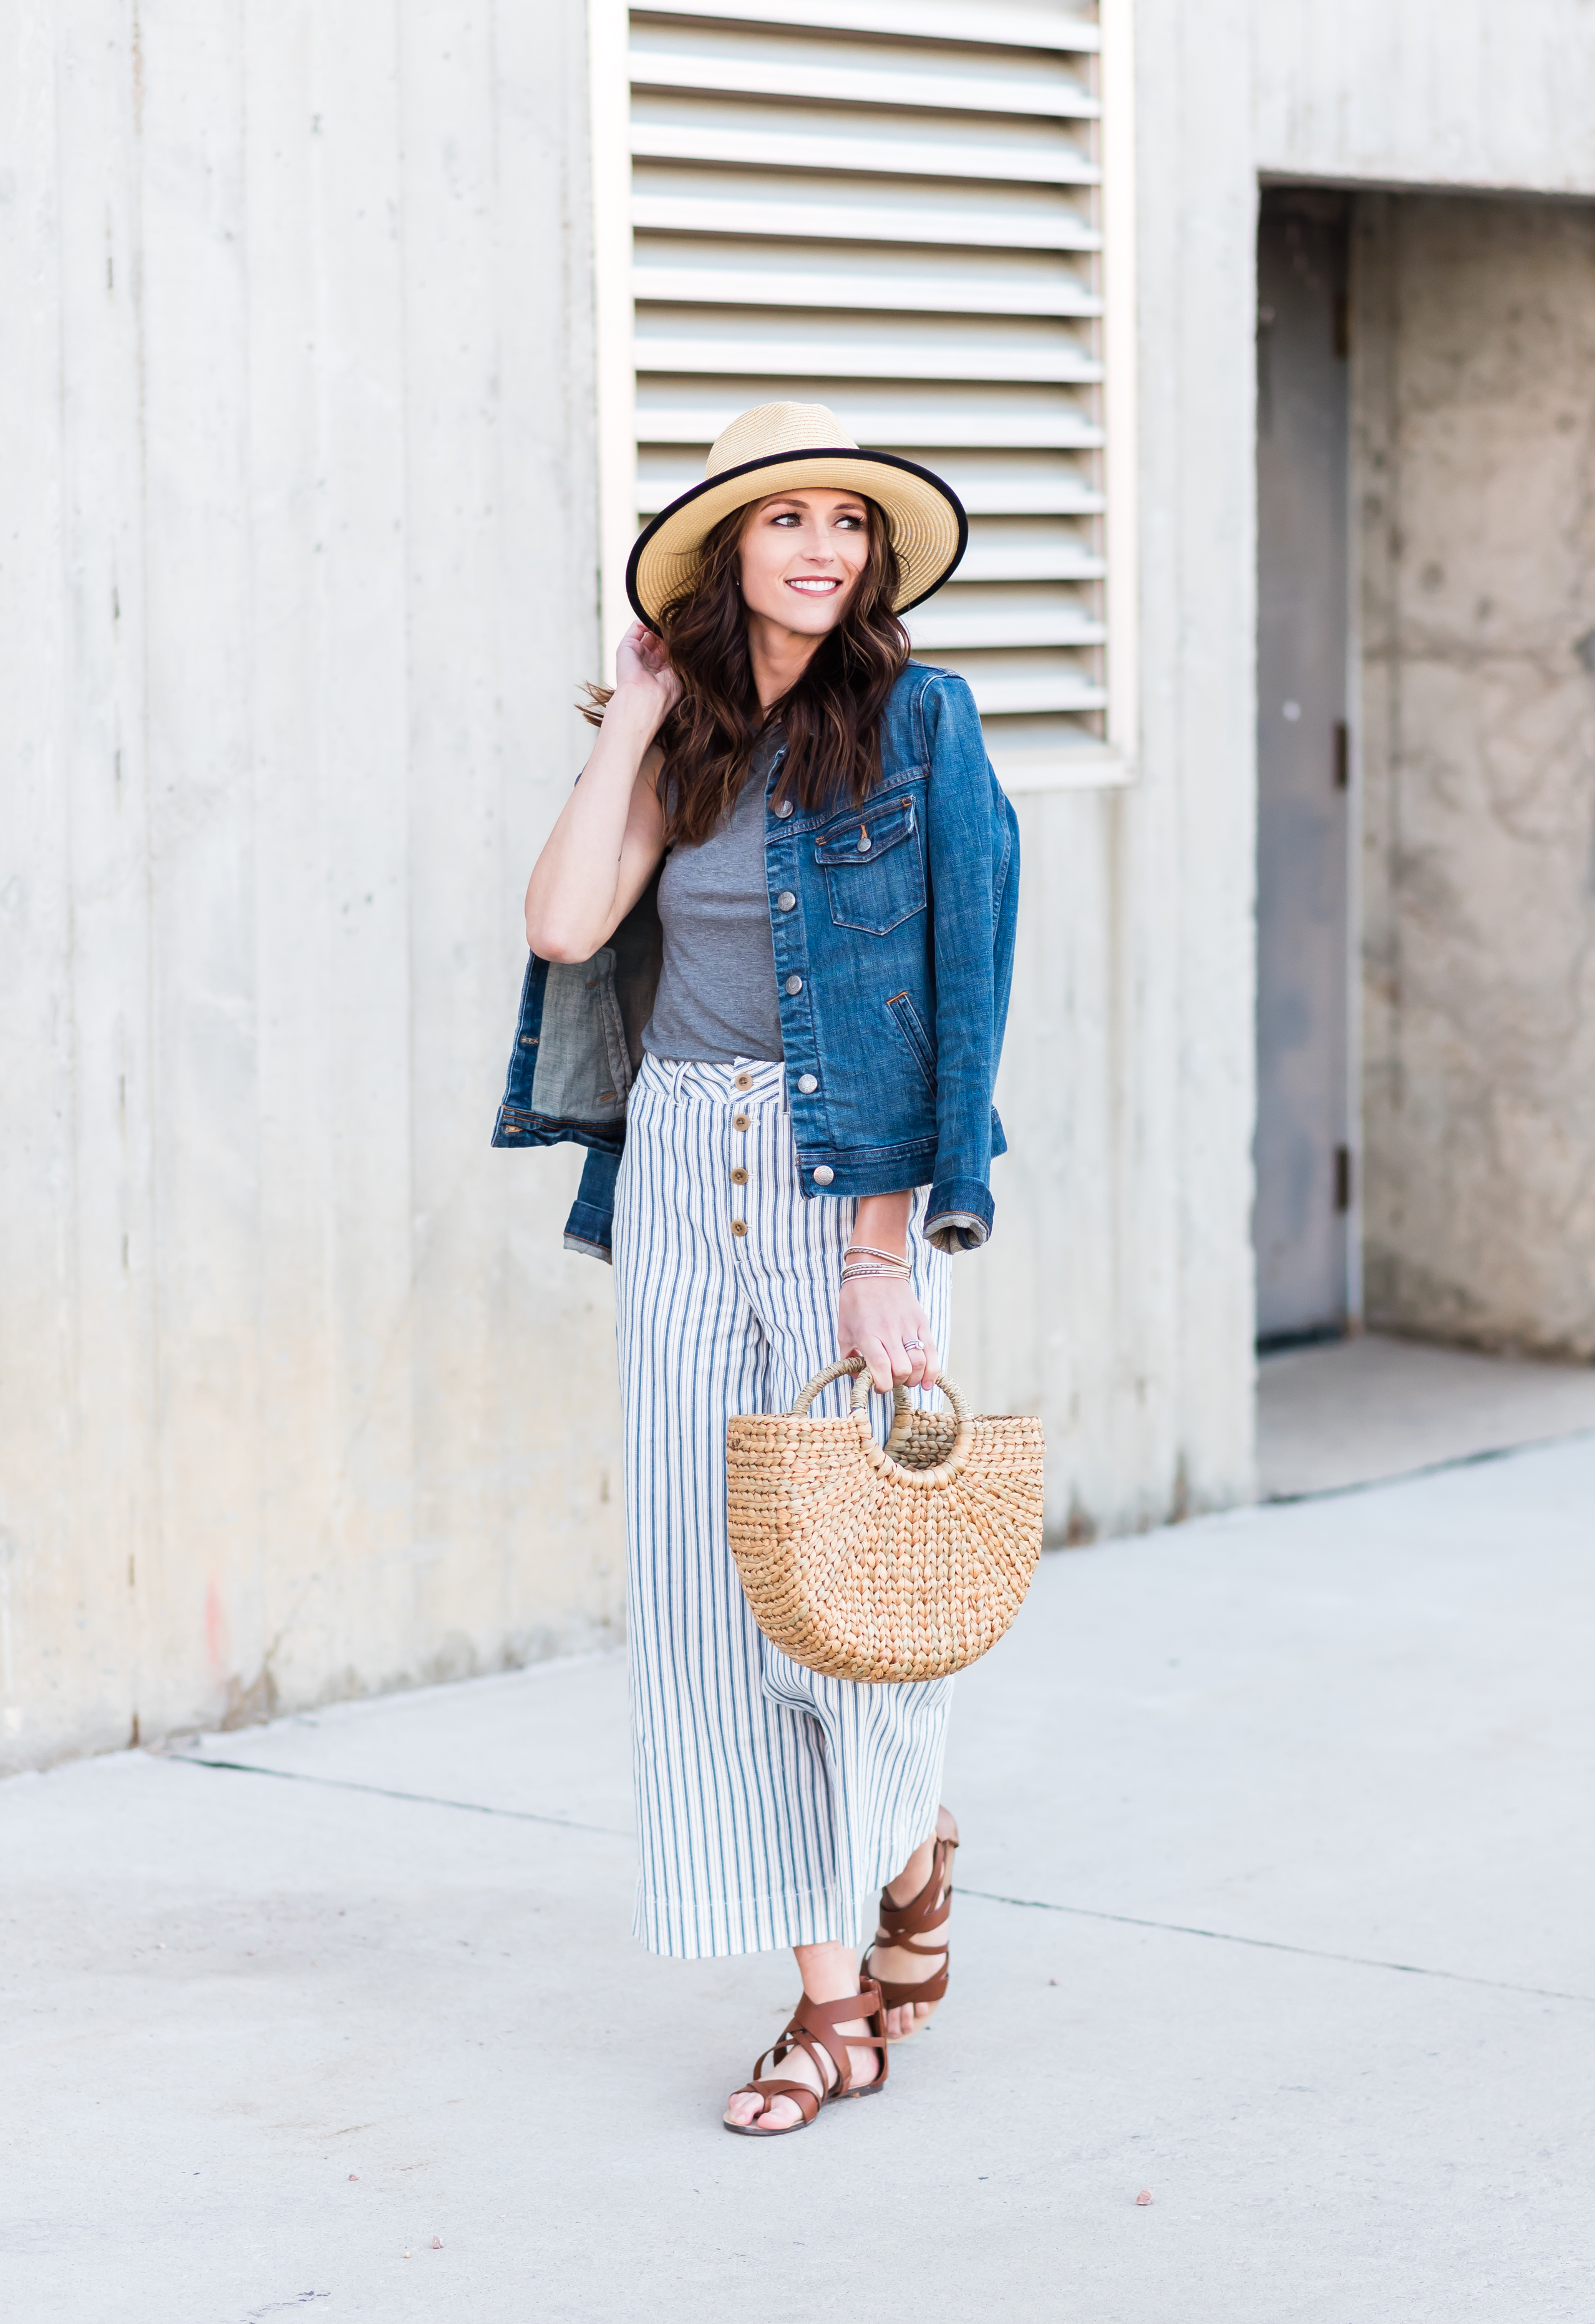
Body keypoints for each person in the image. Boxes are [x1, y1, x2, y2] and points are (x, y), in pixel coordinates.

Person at [503, 401, 1019, 2135]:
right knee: (720, 1603)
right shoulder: (698, 738)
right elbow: (569, 925)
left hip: (833, 1191)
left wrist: (890, 1242)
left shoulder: (920, 725)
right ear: (729, 553)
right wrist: (635, 718)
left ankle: (904, 1841)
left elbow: (965, 987)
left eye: (846, 525)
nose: (820, 548)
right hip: (677, 1174)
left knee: (862, 1598)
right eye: (784, 520)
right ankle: (826, 2005)